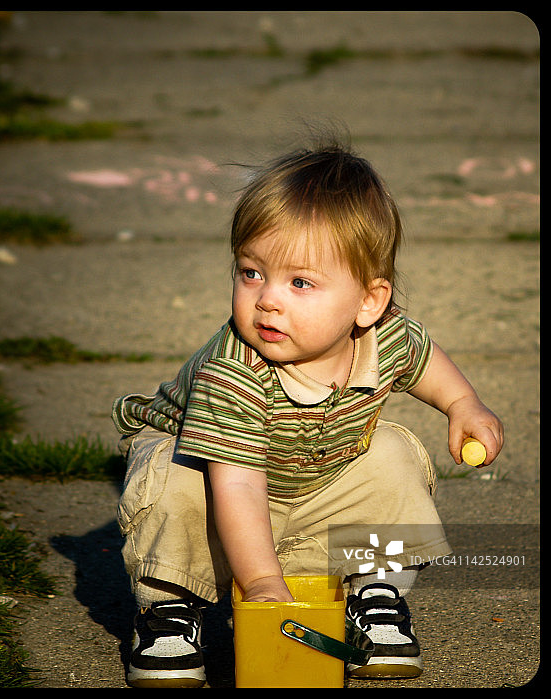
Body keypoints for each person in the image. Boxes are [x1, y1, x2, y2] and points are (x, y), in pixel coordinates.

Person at [111, 137, 504, 688]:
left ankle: (373, 596)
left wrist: (462, 403)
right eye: (251, 273)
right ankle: (171, 610)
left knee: (390, 453)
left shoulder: (381, 334)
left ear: (368, 302)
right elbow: (239, 485)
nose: (268, 299)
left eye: (299, 283)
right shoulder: (234, 372)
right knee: (171, 479)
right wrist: (265, 584)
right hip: (223, 490)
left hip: (310, 486)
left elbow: (423, 358)